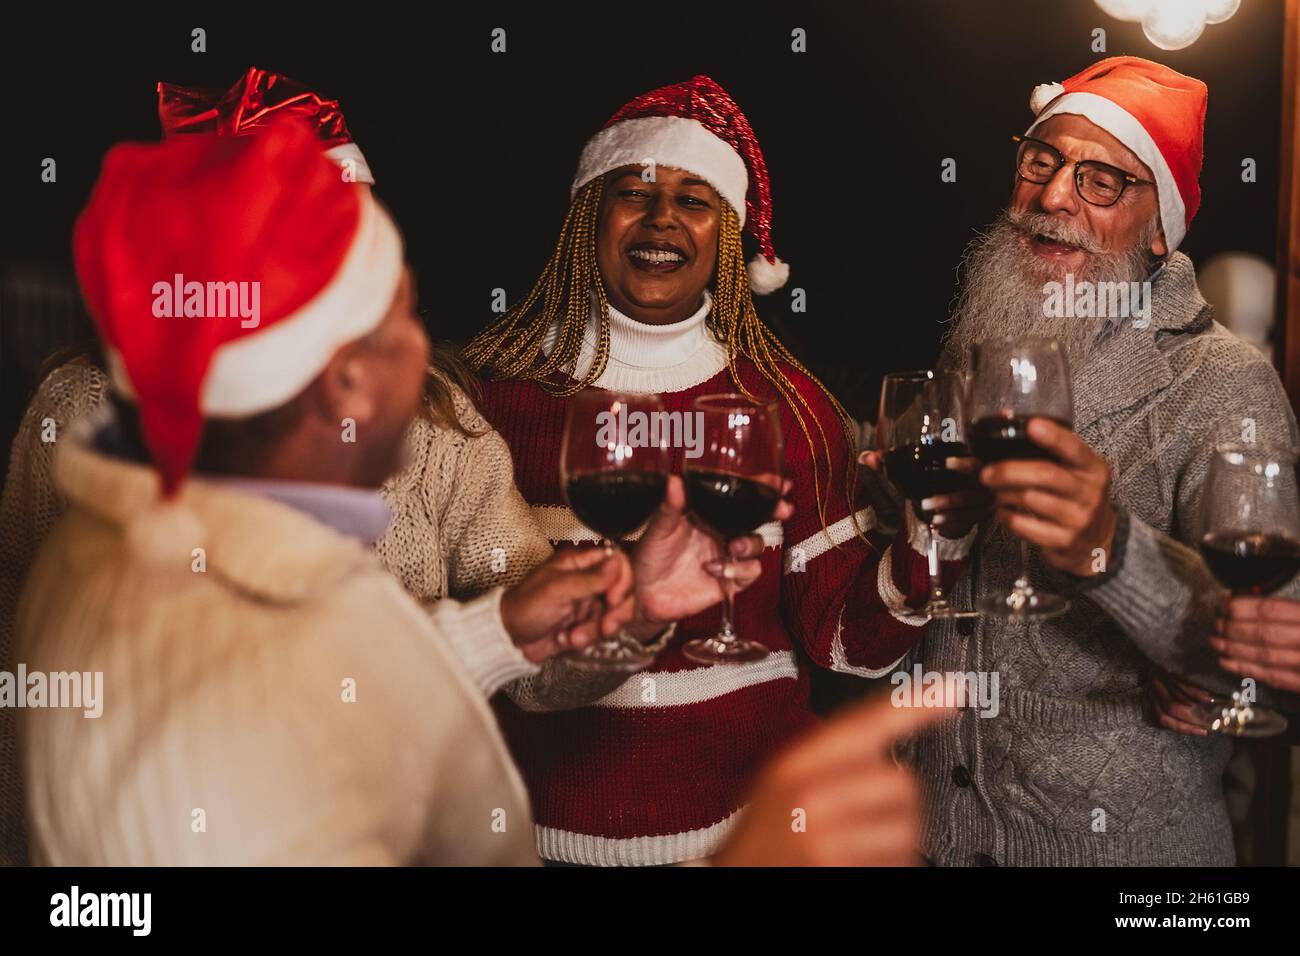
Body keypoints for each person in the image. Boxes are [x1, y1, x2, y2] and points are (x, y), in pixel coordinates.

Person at [16, 116, 950, 867]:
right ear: (328, 376)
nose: (429, 354)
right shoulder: (145, 590)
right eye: (391, 318)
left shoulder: (196, 544)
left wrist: (511, 628)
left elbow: (321, 687)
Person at [463, 75, 984, 865]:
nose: (662, 216)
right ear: (588, 218)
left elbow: (845, 641)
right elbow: (453, 638)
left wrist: (927, 546)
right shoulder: (491, 397)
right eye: (633, 190)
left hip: (747, 842)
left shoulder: (789, 404)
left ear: (729, 237)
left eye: (696, 199)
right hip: (528, 842)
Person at [883, 56, 1299, 865]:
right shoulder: (982, 345)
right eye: (1041, 162)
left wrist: (1112, 550)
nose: (1052, 197)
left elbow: (1277, 664)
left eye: (1101, 180)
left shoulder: (1220, 380)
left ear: (1159, 227)